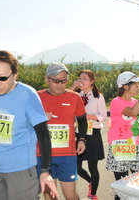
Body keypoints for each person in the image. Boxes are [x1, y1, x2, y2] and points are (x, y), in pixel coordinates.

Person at [0, 51, 58, 200]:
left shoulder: (28, 95)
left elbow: (43, 133)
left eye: (3, 77)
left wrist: (45, 170)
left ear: (15, 74)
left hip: (21, 170)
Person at [36, 63, 87, 200]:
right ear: (47, 79)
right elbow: (25, 122)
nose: (59, 84)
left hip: (67, 155)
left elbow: (82, 120)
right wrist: (40, 117)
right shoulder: (36, 97)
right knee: (50, 196)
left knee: (70, 196)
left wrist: (81, 140)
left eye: (63, 80)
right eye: (55, 80)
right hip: (43, 155)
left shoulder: (74, 97)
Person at [106, 71, 139, 200]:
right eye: (135, 84)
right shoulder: (116, 102)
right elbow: (132, 112)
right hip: (120, 145)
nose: (138, 86)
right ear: (125, 87)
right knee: (122, 183)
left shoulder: (135, 101)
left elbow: (133, 120)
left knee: (138, 180)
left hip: (134, 143)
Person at [69, 70, 108, 200]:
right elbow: (65, 100)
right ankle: (91, 181)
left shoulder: (98, 97)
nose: (81, 80)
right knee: (77, 167)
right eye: (79, 78)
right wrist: (73, 88)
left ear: (92, 81)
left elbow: (103, 116)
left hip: (93, 134)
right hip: (78, 133)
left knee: (93, 167)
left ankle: (93, 194)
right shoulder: (75, 95)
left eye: (84, 78)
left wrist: (91, 117)